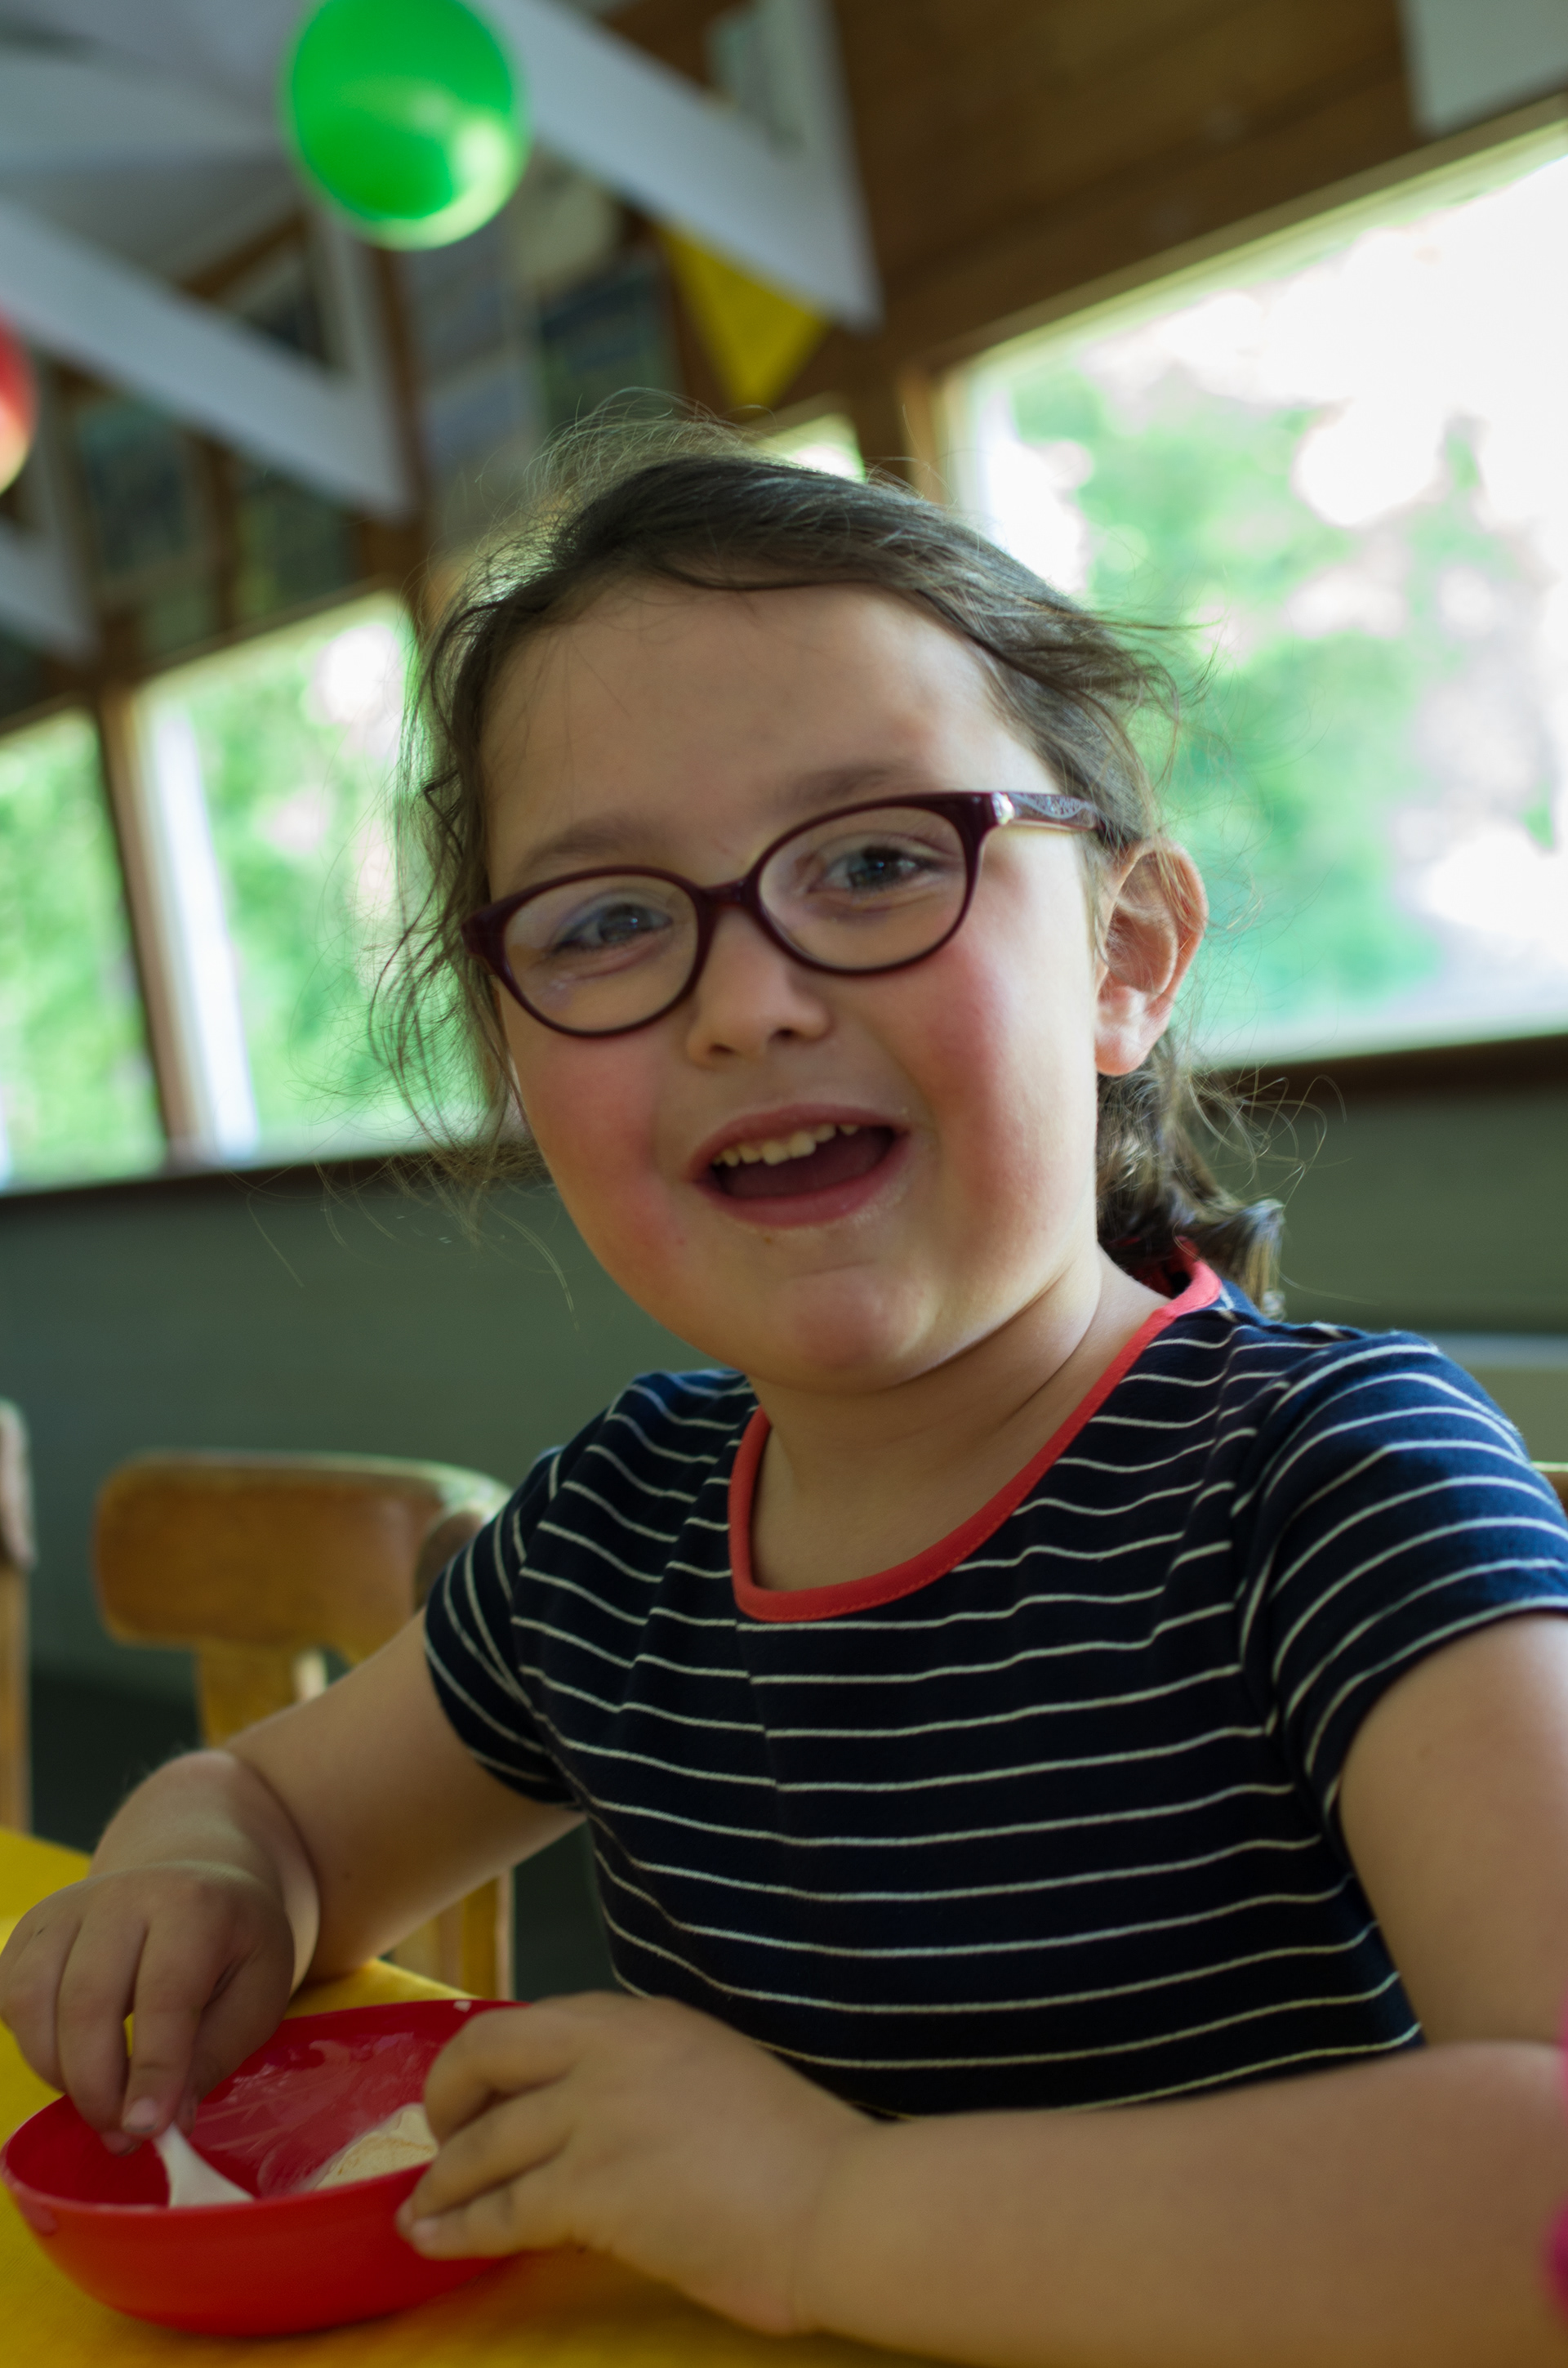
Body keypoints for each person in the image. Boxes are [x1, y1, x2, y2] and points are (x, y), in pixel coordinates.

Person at [7, 419, 1568, 2368]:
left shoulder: (1337, 1485)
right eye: (607, 920)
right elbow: (274, 1813)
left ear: (1123, 956)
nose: (748, 1002)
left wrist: (829, 2211)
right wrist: (194, 1873)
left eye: (879, 860)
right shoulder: (618, 1534)